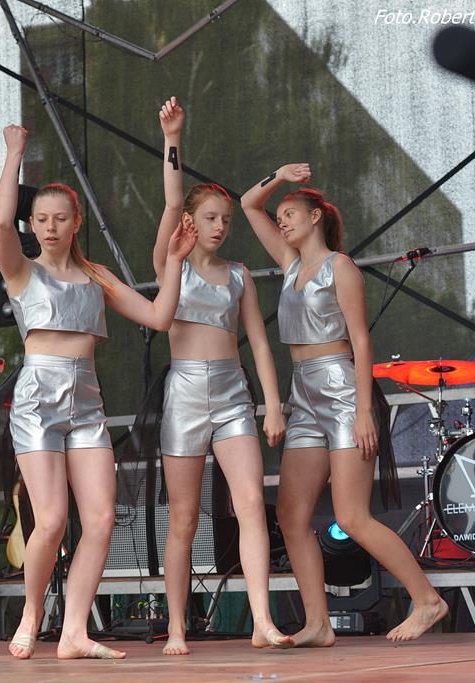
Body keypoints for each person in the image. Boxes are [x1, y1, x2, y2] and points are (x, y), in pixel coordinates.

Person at [0, 124, 197, 660]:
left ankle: (75, 632)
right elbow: (1, 221)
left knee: (102, 519)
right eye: (41, 219)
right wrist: (15, 154)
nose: (50, 227)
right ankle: (32, 614)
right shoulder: (22, 272)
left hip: (86, 403)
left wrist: (176, 262)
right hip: (38, 399)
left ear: (77, 221)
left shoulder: (97, 276)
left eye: (60, 218)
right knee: (51, 519)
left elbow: (159, 317)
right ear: (33, 224)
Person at [240, 164, 448, 646]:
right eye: (281, 216)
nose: (282, 221)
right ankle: (318, 623)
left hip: (341, 387)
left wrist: (362, 410)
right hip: (303, 393)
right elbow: (249, 203)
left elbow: (360, 339)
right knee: (291, 515)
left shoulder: (341, 267)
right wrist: (279, 177)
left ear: (316, 217)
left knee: (351, 516)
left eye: (290, 214)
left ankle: (427, 600)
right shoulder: (291, 264)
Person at [151, 98, 291, 655]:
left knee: (251, 502)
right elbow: (170, 199)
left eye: (226, 220)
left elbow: (259, 341)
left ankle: (262, 620)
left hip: (233, 393)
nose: (220, 227)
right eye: (210, 217)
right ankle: (177, 626)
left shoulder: (239, 276)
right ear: (191, 221)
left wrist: (272, 404)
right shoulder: (172, 264)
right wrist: (173, 138)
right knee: (184, 517)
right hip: (185, 393)